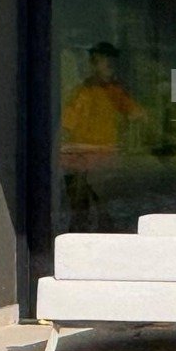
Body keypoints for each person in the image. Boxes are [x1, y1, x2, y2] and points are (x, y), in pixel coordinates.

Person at [59, 42, 145, 231]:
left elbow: (136, 114)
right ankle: (82, 232)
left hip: (100, 154)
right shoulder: (83, 92)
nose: (109, 66)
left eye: (111, 62)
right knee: (81, 204)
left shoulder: (114, 91)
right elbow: (67, 123)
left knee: (100, 202)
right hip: (80, 155)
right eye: (104, 61)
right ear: (93, 64)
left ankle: (97, 229)